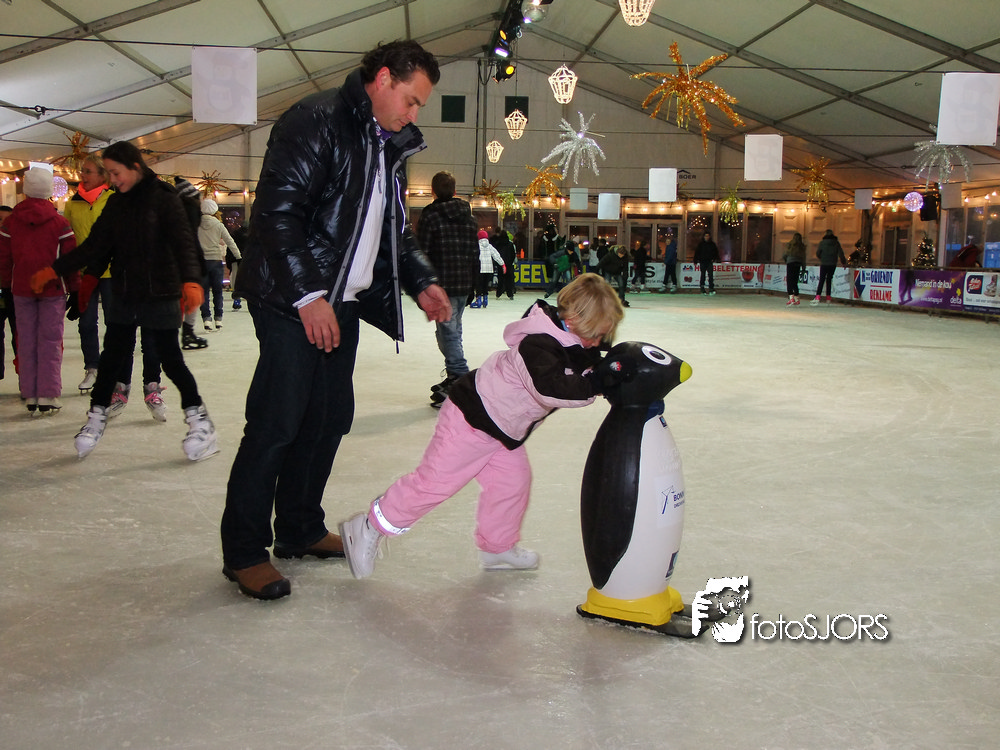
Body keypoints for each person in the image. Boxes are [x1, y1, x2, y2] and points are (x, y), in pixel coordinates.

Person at [219, 40, 450, 601]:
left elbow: (392, 228)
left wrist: (421, 280)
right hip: (290, 300)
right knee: (277, 422)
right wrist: (308, 295)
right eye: (412, 100)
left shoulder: (388, 144)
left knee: (327, 418)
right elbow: (277, 214)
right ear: (384, 78)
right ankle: (244, 552)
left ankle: (298, 527)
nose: (413, 114)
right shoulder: (316, 120)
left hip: (341, 302)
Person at [338, 273, 627, 579]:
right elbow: (549, 389)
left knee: (511, 484)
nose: (597, 343)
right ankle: (369, 527)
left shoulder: (574, 341)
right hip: (471, 419)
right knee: (435, 483)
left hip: (501, 431)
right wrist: (597, 384)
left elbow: (589, 362)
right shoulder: (538, 343)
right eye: (595, 335)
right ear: (574, 319)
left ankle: (497, 548)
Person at [31, 140, 217, 460]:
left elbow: (184, 243)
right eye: (109, 174)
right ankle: (96, 417)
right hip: (126, 293)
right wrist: (55, 270)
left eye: (116, 173)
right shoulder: (116, 203)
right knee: (111, 359)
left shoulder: (164, 199)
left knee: (170, 359)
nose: (113, 180)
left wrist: (191, 281)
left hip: (161, 292)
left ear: (135, 167)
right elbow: (95, 246)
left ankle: (200, 422)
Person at [0, 167, 77, 414]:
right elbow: (69, 259)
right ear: (48, 190)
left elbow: (4, 259)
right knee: (50, 341)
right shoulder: (60, 223)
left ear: (25, 190)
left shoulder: (10, 223)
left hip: (21, 288)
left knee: (25, 341)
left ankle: (30, 393)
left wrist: (5, 286)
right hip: (52, 290)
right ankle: (47, 394)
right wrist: (75, 288)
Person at [417, 170, 478, 406]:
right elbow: (474, 254)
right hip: (462, 283)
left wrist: (422, 284)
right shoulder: (469, 219)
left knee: (449, 333)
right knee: (449, 331)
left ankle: (460, 379)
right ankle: (454, 374)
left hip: (441, 286)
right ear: (454, 191)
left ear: (432, 191)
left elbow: (422, 253)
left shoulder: (430, 216)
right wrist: (474, 284)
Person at [197, 198, 241, 331]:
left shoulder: (196, 224)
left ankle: (206, 319)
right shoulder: (218, 225)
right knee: (217, 291)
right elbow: (229, 241)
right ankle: (218, 319)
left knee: (203, 291)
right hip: (215, 260)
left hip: (201, 261)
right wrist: (238, 256)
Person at [0, 204, 16, 382]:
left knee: (19, 336)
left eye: (7, 219)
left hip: (15, 293)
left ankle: (24, 377)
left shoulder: (18, 242)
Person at [811, 228, 846, 305]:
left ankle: (818, 297)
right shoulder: (836, 243)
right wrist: (844, 262)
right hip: (833, 264)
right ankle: (828, 298)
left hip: (824, 263)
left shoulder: (822, 243)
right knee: (829, 280)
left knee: (821, 280)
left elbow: (818, 253)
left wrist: (822, 258)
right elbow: (841, 253)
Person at [470, 229, 504, 308]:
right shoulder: (490, 246)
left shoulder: (477, 245)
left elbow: (472, 256)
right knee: (485, 285)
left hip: (480, 268)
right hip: (489, 269)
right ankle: (485, 299)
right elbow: (496, 255)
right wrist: (502, 264)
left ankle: (478, 300)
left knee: (479, 284)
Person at [782, 232, 807, 306]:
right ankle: (797, 298)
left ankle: (791, 297)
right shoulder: (802, 247)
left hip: (790, 263)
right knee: (795, 281)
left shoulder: (790, 244)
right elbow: (803, 258)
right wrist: (803, 267)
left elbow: (784, 254)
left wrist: (786, 260)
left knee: (789, 280)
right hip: (798, 264)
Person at [492, 227, 517, 300]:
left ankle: (498, 293)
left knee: (500, 279)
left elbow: (496, 254)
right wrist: (510, 262)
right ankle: (510, 294)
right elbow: (513, 254)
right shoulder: (510, 244)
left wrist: (498, 263)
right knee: (509, 280)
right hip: (509, 265)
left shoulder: (498, 244)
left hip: (501, 265)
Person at [694, 231, 718, 295]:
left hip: (709, 261)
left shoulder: (712, 244)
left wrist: (714, 259)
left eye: (708, 236)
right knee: (703, 275)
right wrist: (695, 260)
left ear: (709, 237)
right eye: (705, 236)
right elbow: (697, 252)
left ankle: (711, 288)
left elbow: (716, 252)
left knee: (710, 275)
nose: (707, 237)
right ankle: (702, 288)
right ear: (704, 237)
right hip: (702, 261)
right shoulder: (701, 244)